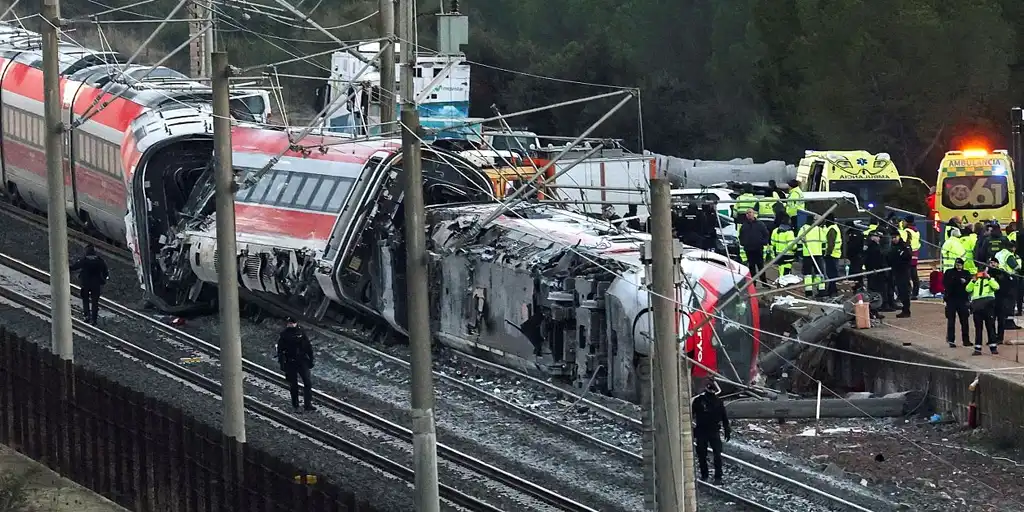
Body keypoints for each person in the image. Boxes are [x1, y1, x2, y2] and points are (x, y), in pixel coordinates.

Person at [692, 380, 730, 484]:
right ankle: (712, 476)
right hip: (707, 431)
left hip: (707, 431)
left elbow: (724, 417)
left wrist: (727, 429)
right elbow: (724, 418)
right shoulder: (704, 401)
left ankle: (710, 476)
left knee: (709, 455)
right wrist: (727, 429)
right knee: (709, 455)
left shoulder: (702, 401)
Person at [277, 317, 316, 411]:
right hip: (290, 362)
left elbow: (308, 347)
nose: (291, 324)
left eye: (293, 323)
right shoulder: (284, 335)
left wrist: (311, 360)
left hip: (302, 361)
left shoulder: (301, 333)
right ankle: (296, 406)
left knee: (308, 383)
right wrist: (282, 364)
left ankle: (308, 404)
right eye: (290, 323)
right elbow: (280, 351)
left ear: (296, 323)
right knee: (293, 385)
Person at [69, 244, 109, 325]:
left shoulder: (84, 260)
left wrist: (69, 267)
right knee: (95, 302)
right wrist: (103, 279)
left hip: (86, 283)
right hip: (96, 284)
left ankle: (86, 316)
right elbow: (105, 271)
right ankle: (94, 319)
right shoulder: (99, 260)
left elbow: (75, 267)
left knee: (85, 300)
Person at [967, 265, 1000, 355]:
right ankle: (978, 348)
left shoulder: (990, 280)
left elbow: (996, 287)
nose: (982, 274)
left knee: (990, 327)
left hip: (988, 306)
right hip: (977, 307)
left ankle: (993, 347)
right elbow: (968, 289)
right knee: (978, 328)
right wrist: (973, 280)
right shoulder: (975, 281)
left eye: (984, 272)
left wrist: (989, 279)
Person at [943, 258, 971, 348]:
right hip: (951, 299)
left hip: (963, 300)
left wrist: (965, 281)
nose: (958, 266)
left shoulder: (966, 273)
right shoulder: (949, 272)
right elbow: (945, 282)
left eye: (960, 264)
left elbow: (969, 284)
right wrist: (957, 280)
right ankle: (951, 340)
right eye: (957, 264)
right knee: (951, 321)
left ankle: (966, 340)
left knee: (965, 321)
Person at [739, 209, 770, 283]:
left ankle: (764, 282)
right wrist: (743, 243)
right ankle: (753, 282)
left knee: (760, 266)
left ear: (754, 214)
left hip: (758, 248)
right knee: (751, 267)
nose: (748, 214)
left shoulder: (760, 224)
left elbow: (766, 234)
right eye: (747, 213)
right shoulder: (744, 225)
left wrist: (763, 242)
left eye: (750, 212)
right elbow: (741, 236)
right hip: (749, 249)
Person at [864, 231, 891, 312]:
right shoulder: (872, 247)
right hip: (876, 271)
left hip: (877, 271)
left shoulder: (875, 246)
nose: (879, 238)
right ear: (872, 237)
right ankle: (878, 306)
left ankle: (881, 305)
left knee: (880, 288)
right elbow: (875, 260)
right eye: (877, 236)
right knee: (877, 289)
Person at [890, 230, 913, 318]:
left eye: (895, 237)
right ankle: (904, 309)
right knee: (900, 291)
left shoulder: (904, 246)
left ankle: (906, 310)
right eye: (892, 238)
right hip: (897, 271)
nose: (893, 239)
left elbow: (907, 257)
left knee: (904, 291)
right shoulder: (893, 247)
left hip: (903, 272)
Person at [901, 216, 921, 299]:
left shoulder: (906, 231)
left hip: (908, 255)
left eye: (904, 221)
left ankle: (908, 293)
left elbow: (903, 242)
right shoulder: (916, 231)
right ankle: (915, 293)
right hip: (915, 254)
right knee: (914, 276)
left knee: (906, 276)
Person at [822, 215, 843, 296]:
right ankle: (833, 290)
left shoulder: (832, 229)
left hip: (832, 255)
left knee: (832, 274)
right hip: (835, 254)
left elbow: (831, 243)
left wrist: (827, 253)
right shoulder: (835, 228)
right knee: (833, 274)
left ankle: (832, 291)